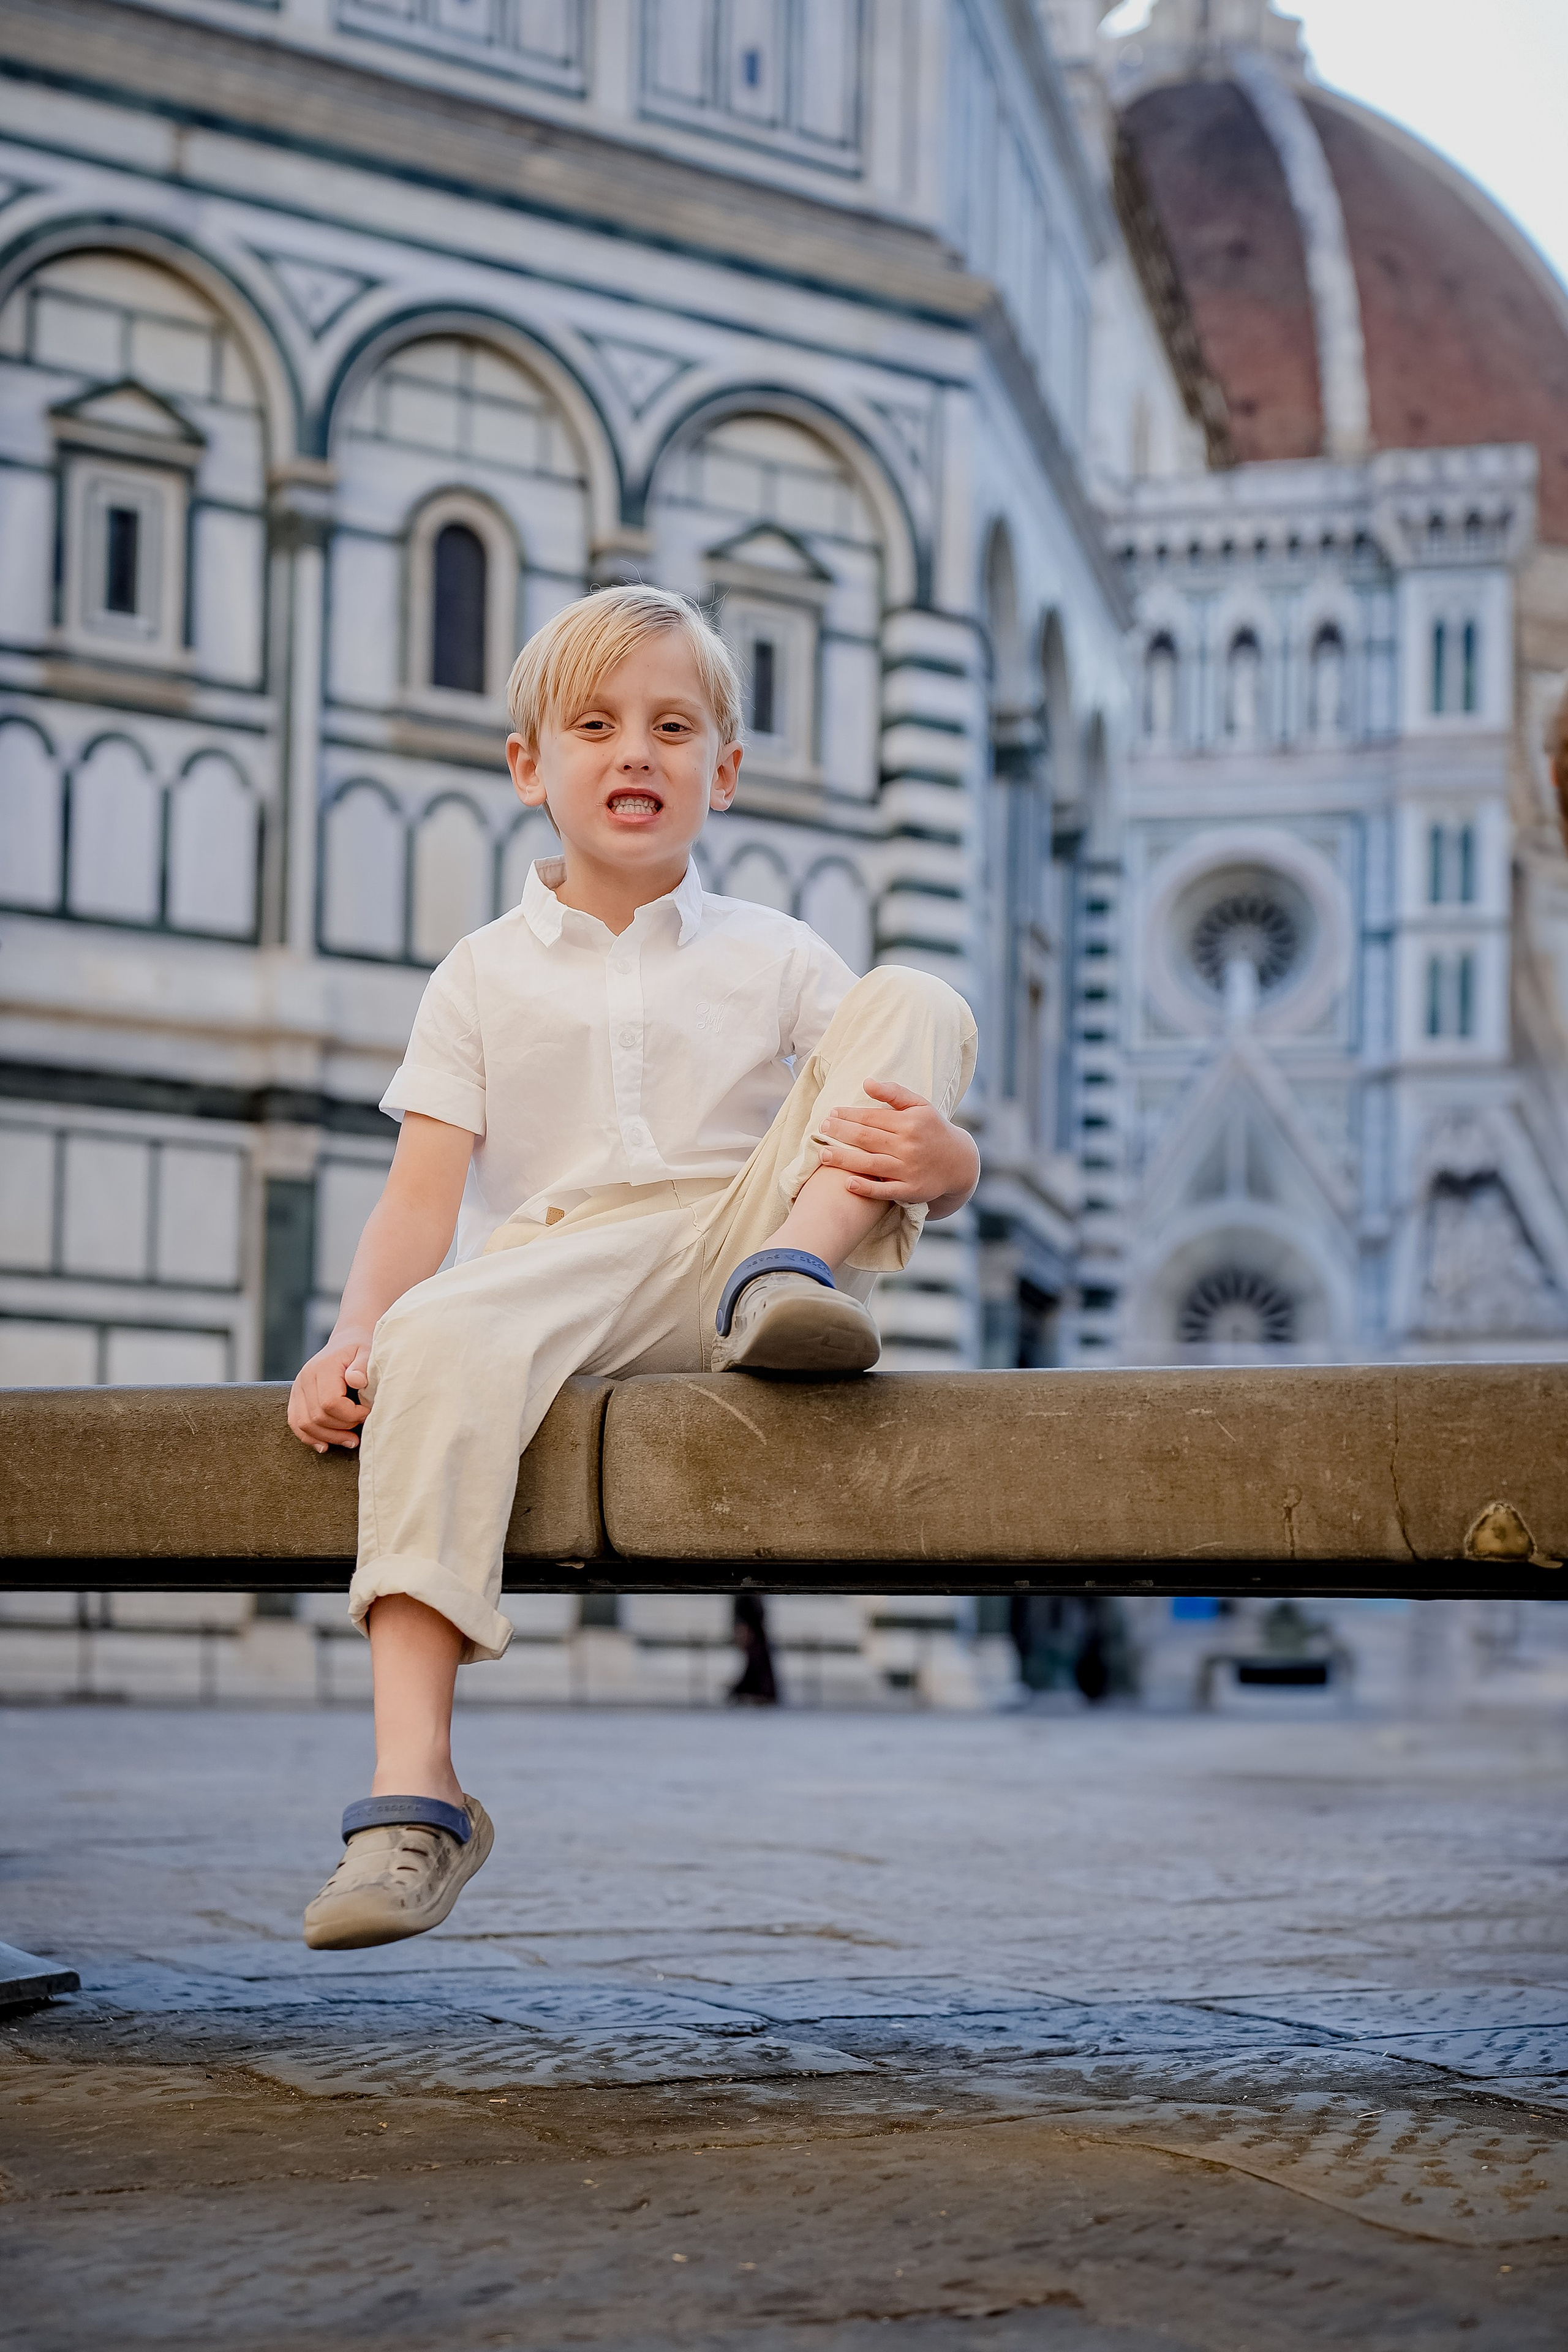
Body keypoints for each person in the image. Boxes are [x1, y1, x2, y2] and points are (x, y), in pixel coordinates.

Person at [286, 585, 979, 1950]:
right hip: (554, 1274)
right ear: (527, 767)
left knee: (919, 996)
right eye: (594, 725)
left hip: (744, 1246)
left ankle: (794, 1276)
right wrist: (352, 1335)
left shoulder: (775, 951)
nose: (635, 753)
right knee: (429, 1339)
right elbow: (421, 1198)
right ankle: (413, 1795)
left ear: (724, 771)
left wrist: (948, 1167)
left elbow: (883, 1080)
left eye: (672, 727)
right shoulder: (478, 975)